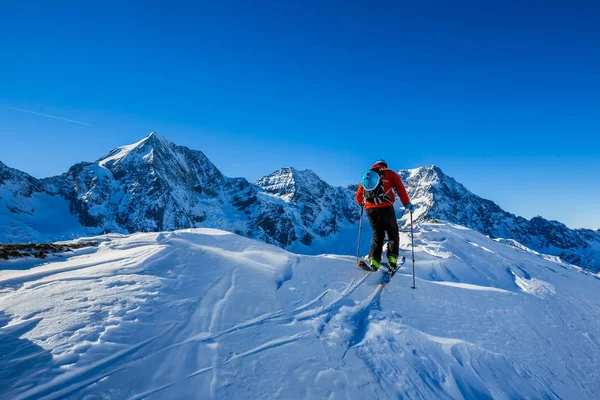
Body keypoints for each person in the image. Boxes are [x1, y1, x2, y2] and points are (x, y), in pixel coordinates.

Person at [355, 159, 413, 272]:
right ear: (385, 166)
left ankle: (374, 262)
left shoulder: (368, 175)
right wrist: (407, 203)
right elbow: (400, 188)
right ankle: (392, 259)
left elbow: (358, 195)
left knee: (378, 234)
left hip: (370, 209)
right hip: (386, 208)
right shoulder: (389, 173)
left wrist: (362, 203)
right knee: (392, 232)